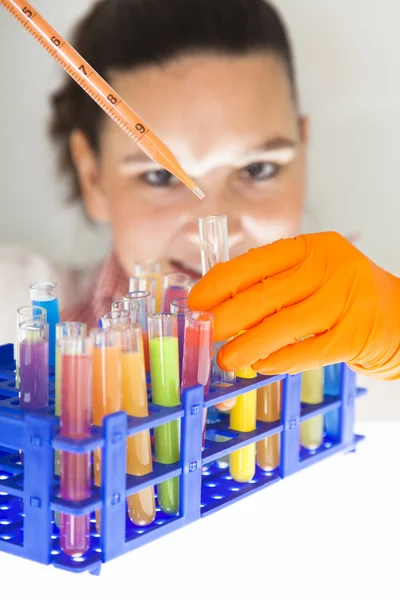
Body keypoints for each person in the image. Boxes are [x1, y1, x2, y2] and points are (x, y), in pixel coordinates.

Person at [1, 0, 399, 383]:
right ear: (93, 178)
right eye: (160, 177)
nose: (217, 227)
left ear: (302, 156)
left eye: (258, 169)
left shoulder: (372, 327)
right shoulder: (16, 312)